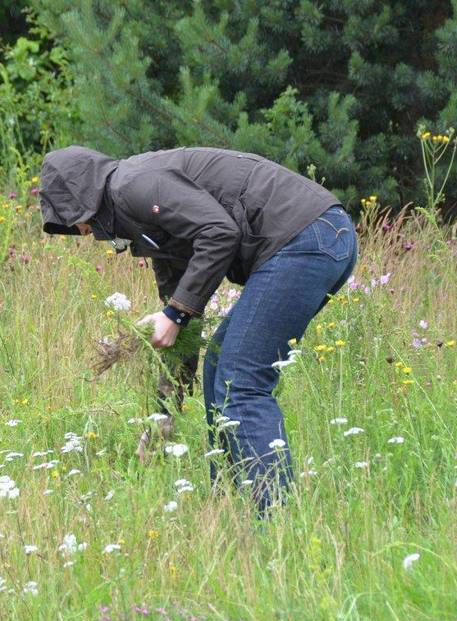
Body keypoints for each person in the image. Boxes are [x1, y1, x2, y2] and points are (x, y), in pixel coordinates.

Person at [39, 145, 358, 515]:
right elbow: (182, 323)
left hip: (305, 237)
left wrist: (175, 314)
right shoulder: (141, 219)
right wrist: (163, 413)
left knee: (241, 383)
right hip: (320, 237)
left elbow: (219, 233)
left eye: (72, 219)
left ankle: (275, 521)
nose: (79, 231)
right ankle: (230, 508)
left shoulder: (131, 186)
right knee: (219, 367)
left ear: (80, 196)